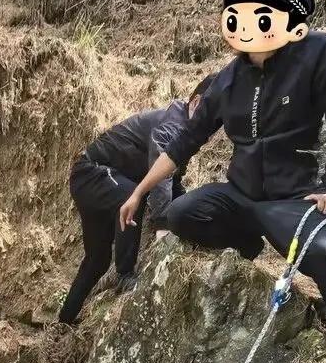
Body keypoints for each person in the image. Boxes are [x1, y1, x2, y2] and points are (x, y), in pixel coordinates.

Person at [118, 0, 326, 363]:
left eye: (260, 14)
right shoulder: (227, 79)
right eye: (236, 14)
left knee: (325, 257)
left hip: (290, 198)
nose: (246, 26)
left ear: (287, 17)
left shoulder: (318, 52)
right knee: (180, 214)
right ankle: (246, 243)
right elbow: (185, 142)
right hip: (239, 195)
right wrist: (140, 191)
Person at [58, 77, 215, 324]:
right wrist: (162, 224)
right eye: (211, 112)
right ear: (195, 103)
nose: (213, 124)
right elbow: (161, 178)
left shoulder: (186, 132)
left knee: (98, 259)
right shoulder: (172, 125)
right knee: (131, 196)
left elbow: (173, 181)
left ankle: (64, 320)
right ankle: (124, 275)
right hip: (91, 172)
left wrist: (192, 216)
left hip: (102, 181)